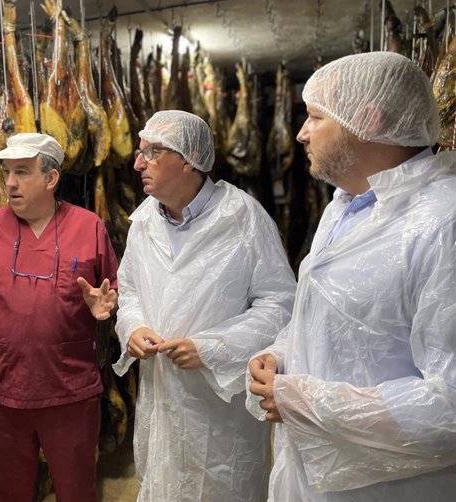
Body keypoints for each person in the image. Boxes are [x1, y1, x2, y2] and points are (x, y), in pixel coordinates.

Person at [247, 52, 456, 502]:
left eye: (315, 116)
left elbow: (451, 407)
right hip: (311, 469)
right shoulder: (345, 205)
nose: (302, 132)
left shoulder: (444, 222)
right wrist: (282, 353)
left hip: (391, 488)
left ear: (367, 119)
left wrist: (307, 401)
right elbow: (332, 318)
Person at [112, 110, 297, 501]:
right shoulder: (143, 221)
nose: (137, 163)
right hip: (160, 397)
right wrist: (133, 328)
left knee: (218, 487)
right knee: (161, 485)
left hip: (220, 408)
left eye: (152, 152)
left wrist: (213, 347)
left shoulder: (244, 217)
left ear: (188, 161)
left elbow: (281, 304)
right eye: (140, 151)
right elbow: (128, 290)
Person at [0, 133, 119, 502]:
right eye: (6, 172)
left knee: (76, 491)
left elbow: (113, 289)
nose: (9, 183)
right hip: (3, 389)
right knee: (6, 492)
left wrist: (105, 306)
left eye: (22, 172)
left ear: (51, 178)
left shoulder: (89, 227)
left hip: (69, 389)